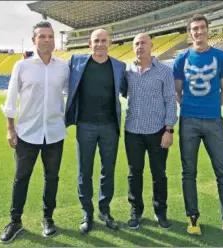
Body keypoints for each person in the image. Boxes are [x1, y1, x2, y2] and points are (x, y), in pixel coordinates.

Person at [173, 14, 223, 243]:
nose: (198, 32)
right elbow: (178, 91)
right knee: (189, 172)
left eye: (202, 28)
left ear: (208, 30)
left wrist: (212, 108)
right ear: (190, 33)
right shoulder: (181, 59)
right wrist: (190, 108)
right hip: (189, 121)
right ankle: (192, 217)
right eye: (194, 29)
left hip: (214, 120)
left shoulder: (222, 57)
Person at [0, 21, 69, 243]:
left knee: (52, 178)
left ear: (54, 39)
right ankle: (15, 221)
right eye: (42, 36)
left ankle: (48, 219)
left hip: (55, 133)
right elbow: (10, 100)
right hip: (27, 133)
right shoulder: (22, 66)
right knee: (21, 178)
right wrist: (10, 129)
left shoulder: (64, 67)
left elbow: (72, 93)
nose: (47, 40)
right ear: (34, 40)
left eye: (50, 36)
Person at [64, 29, 126, 234]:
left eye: (104, 41)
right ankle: (87, 212)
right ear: (90, 43)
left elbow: (129, 89)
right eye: (96, 41)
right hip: (85, 126)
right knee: (85, 172)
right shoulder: (76, 61)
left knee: (107, 171)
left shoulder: (119, 66)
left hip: (110, 126)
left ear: (110, 43)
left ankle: (104, 211)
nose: (100, 44)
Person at [122, 33, 177, 230]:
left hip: (158, 131)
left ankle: (160, 211)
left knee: (159, 174)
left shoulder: (164, 71)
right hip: (132, 131)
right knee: (134, 173)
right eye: (136, 43)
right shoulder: (126, 70)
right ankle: (136, 211)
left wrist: (169, 129)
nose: (140, 46)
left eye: (143, 43)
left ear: (152, 46)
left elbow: (171, 100)